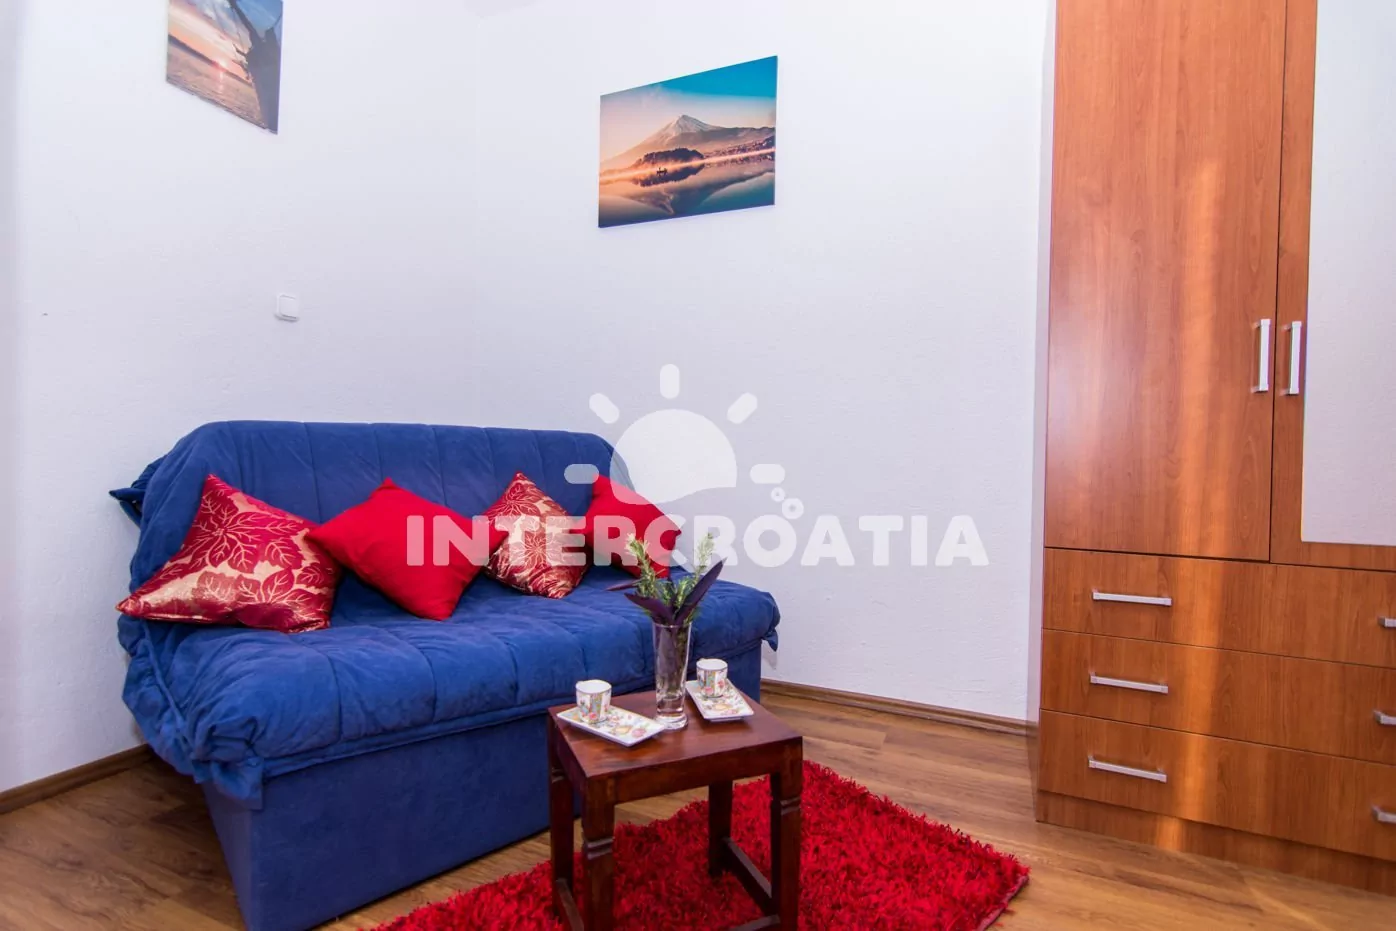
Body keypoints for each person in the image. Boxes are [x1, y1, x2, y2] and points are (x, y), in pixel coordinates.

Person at [226, 0, 282, 132]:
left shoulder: (268, 50)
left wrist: (235, 7)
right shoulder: (270, 51)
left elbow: (249, 26)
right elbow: (249, 27)